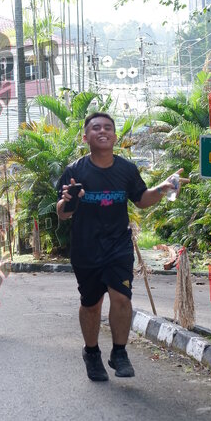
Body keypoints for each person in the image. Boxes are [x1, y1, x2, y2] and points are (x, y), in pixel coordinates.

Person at [56, 112, 189, 382]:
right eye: (96, 128)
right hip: (86, 248)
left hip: (118, 245)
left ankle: (119, 352)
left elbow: (141, 200)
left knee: (121, 298)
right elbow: (62, 213)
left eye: (108, 127)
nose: (102, 131)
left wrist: (163, 188)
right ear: (86, 137)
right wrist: (69, 200)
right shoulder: (74, 171)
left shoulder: (126, 169)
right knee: (91, 304)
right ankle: (91, 353)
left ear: (115, 136)